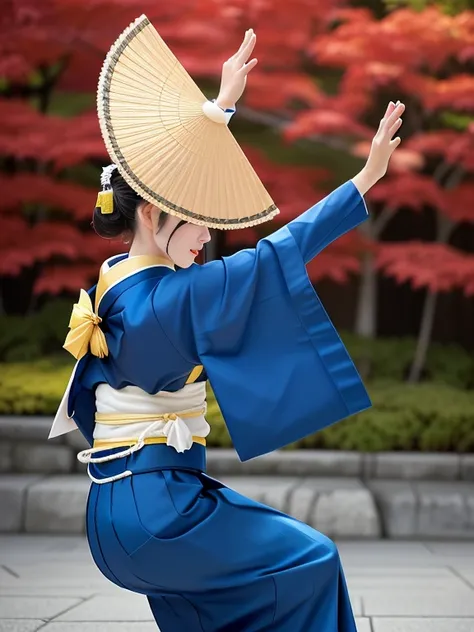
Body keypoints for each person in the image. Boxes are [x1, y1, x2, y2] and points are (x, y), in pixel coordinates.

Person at [49, 23, 404, 632]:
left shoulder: (114, 277)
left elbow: (165, 175)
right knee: (311, 560)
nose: (208, 237)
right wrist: (365, 179)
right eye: (198, 223)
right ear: (158, 213)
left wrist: (219, 110)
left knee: (225, 613)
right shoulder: (171, 298)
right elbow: (277, 254)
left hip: (124, 512)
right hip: (159, 514)